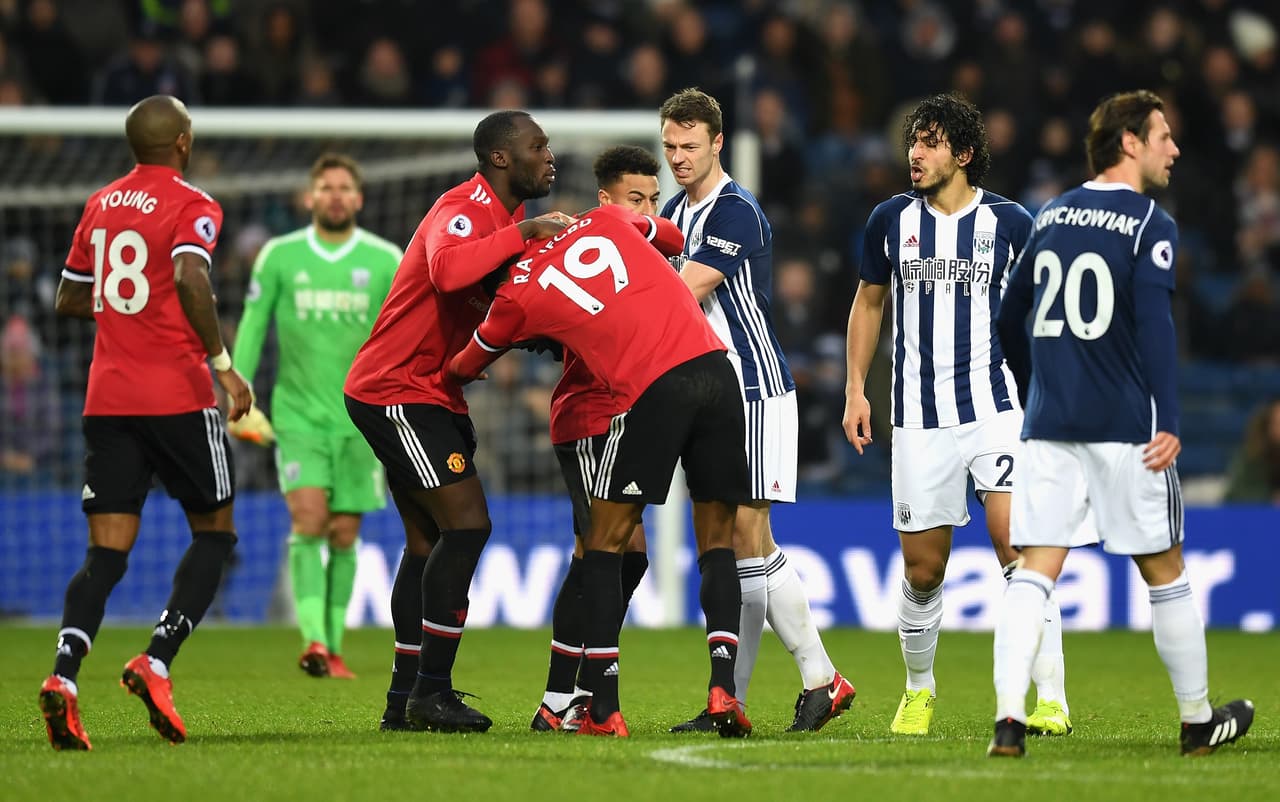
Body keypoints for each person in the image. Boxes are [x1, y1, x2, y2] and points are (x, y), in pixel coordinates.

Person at [990, 89, 1254, 758]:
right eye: (1163, 135)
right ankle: (1197, 723)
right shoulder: (1147, 224)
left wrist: (1036, 387)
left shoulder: (1049, 216)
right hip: (1124, 426)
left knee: (1033, 571)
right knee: (1165, 568)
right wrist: (1168, 416)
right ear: (1129, 142)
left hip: (1050, 424)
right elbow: (1157, 329)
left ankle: (1008, 722)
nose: (1174, 148)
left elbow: (1007, 318)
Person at [448, 203, 753, 738]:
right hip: (716, 369)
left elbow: (467, 364)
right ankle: (722, 688)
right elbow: (671, 234)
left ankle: (604, 707)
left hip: (653, 389)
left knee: (604, 544)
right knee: (718, 541)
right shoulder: (602, 220)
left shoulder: (513, 295)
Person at [842, 92, 1073, 736]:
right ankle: (919, 690)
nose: (914, 152)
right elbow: (867, 303)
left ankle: (1050, 698)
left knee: (1018, 551)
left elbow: (1040, 315)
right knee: (924, 569)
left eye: (931, 142)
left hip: (995, 408)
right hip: (917, 417)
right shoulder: (889, 221)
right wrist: (856, 389)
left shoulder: (1012, 224)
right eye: (913, 140)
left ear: (963, 154)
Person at [342, 110, 572, 733]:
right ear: (501, 158)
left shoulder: (509, 222)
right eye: (537, 145)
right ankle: (431, 693)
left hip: (432, 394)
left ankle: (403, 700)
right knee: (467, 528)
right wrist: (529, 236)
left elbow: (503, 313)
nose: (549, 155)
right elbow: (447, 269)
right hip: (397, 389)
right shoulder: (466, 208)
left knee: (427, 545)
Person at [37, 95, 253, 751]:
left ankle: (64, 679)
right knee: (215, 533)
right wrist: (223, 365)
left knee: (106, 552)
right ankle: (155, 661)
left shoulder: (100, 204)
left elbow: (69, 296)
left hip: (108, 397)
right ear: (182, 142)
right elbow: (190, 274)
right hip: (178, 394)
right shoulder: (194, 204)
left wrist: (125, 310)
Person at [660, 87, 854, 733]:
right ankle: (732, 701)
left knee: (748, 536)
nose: (679, 157)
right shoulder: (670, 211)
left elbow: (684, 289)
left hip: (754, 390)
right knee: (730, 546)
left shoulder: (736, 211)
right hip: (706, 396)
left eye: (689, 146)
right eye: (669, 147)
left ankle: (822, 677)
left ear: (718, 143)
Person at [530, 144, 683, 731]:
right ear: (604, 202)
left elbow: (671, 236)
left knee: (624, 555)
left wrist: (643, 224)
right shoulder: (579, 249)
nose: (646, 209)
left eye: (652, 197)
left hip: (629, 416)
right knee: (603, 550)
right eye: (633, 199)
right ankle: (564, 696)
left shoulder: (640, 251)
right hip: (589, 416)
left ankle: (565, 696)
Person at [230, 153, 402, 679]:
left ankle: (333, 645)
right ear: (309, 197)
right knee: (308, 521)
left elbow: (402, 331)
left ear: (358, 198)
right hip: (298, 416)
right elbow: (254, 323)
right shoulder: (280, 256)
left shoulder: (384, 259)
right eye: (325, 187)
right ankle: (313, 644)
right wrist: (241, 393)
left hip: (362, 419)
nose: (334, 195)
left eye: (343, 187)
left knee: (345, 533)